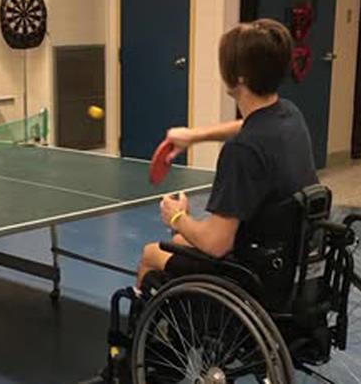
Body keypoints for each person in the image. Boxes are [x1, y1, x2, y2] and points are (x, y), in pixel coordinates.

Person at [136, 18, 319, 287]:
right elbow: (248, 125)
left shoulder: (241, 152)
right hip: (289, 256)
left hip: (252, 273)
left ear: (239, 77)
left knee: (151, 254)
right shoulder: (289, 114)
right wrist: (194, 136)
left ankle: (145, 327)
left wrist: (176, 216)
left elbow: (216, 244)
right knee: (179, 242)